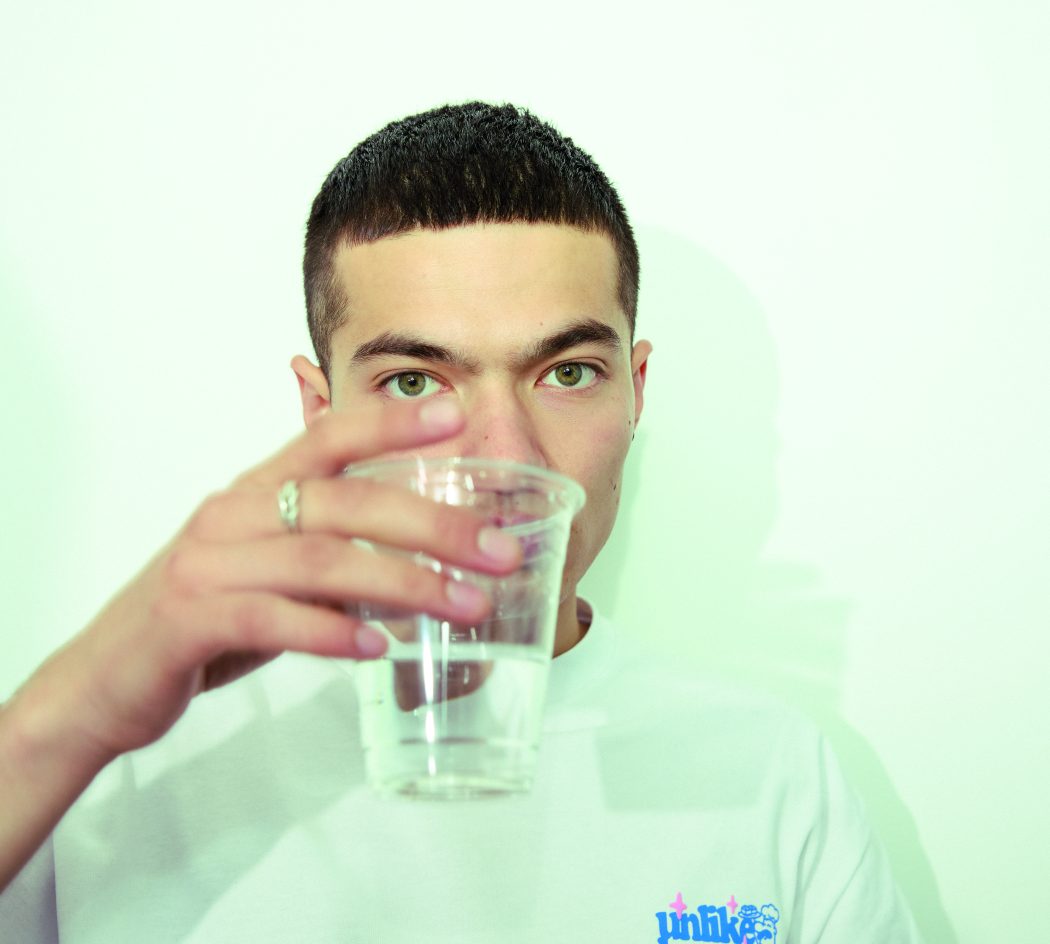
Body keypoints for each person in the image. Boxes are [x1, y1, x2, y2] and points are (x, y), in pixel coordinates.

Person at [0, 102, 923, 942]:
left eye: (567, 373)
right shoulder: (108, 763)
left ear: (636, 391)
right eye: (414, 382)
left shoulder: (776, 776)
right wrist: (68, 719)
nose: (506, 462)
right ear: (322, 414)